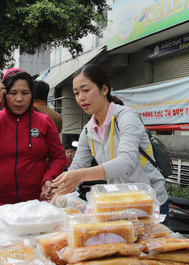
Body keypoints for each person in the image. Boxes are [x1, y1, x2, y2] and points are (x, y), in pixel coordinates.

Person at [52, 64, 168, 212]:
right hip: (119, 204)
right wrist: (50, 208)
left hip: (151, 203)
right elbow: (76, 167)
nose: (81, 97)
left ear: (104, 89)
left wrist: (79, 175)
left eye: (86, 90)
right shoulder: (88, 130)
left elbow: (126, 162)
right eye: (76, 93)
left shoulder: (126, 117)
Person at [0, 68, 65, 207]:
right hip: (2, 206)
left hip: (37, 203)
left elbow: (59, 157)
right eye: (13, 93)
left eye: (25, 93)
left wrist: (48, 178)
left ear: (32, 94)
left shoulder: (44, 121)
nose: (19, 99)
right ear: (3, 94)